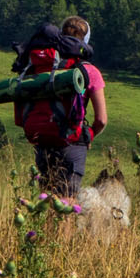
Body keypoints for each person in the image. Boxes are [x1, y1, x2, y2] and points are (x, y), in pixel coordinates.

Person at [36, 14, 106, 195]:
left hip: (43, 142)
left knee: (46, 201)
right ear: (86, 41)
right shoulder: (90, 71)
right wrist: (88, 135)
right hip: (72, 144)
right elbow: (101, 120)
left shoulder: (46, 67)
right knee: (67, 204)